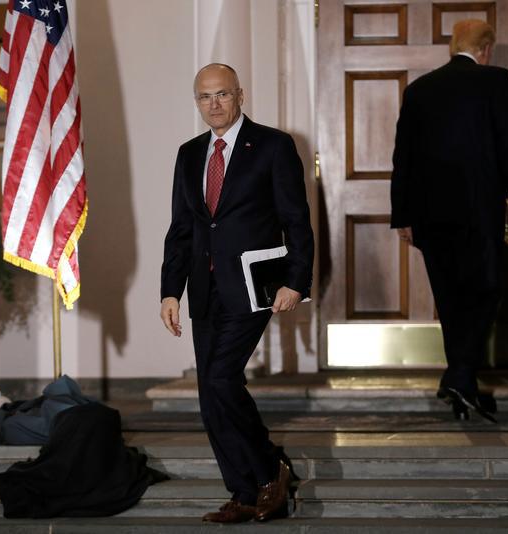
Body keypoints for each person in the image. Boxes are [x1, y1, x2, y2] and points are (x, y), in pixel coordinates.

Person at [160, 63, 314, 522]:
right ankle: (245, 491)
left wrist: (296, 281)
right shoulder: (189, 154)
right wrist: (171, 291)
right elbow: (182, 229)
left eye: (222, 95)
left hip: (252, 286)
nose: (214, 104)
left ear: (240, 95)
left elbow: (297, 220)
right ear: (197, 102)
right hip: (204, 289)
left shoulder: (273, 145)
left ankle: (269, 469)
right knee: (210, 393)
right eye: (205, 97)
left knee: (222, 378)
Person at [390, 20, 508, 422]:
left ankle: (461, 381)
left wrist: (404, 216)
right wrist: (501, 186)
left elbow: (403, 159)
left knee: (450, 298)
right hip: (478, 210)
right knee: (485, 289)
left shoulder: (418, 90)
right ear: (485, 49)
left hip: (429, 216)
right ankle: (461, 374)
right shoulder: (496, 81)